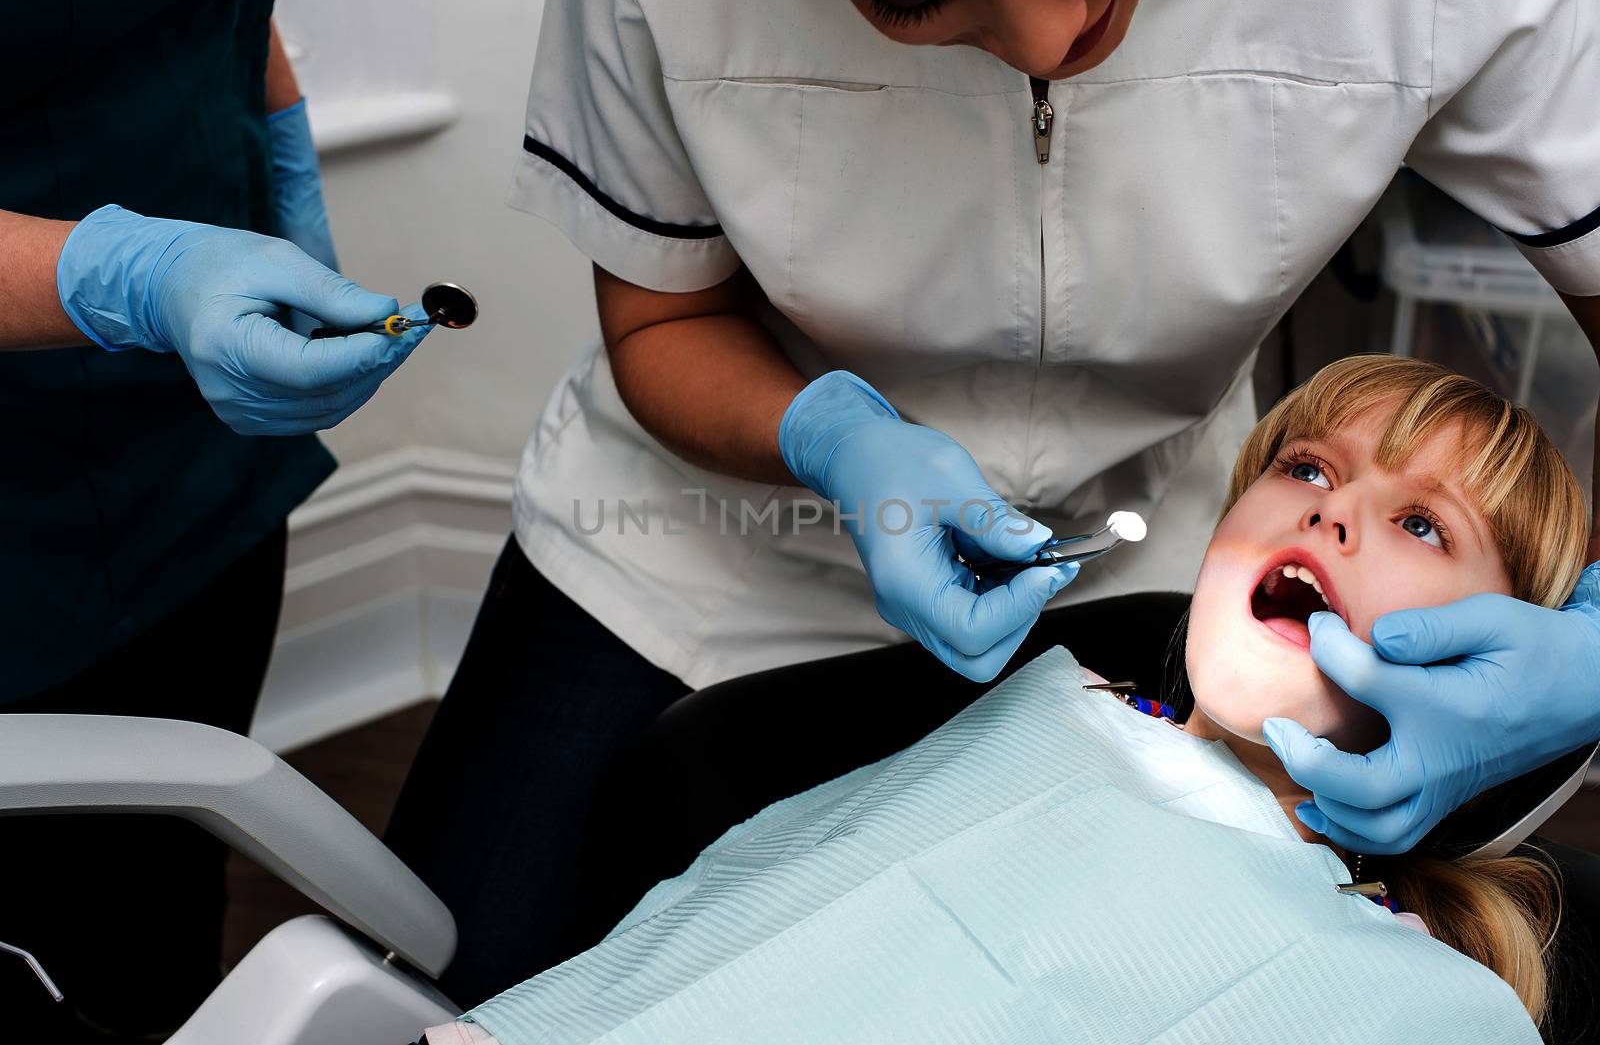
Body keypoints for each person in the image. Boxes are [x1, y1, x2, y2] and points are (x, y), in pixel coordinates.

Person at [386, 0, 1600, 1006]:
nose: (1051, 37)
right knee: (459, 961)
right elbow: (664, 317)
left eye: (1420, 523)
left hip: (1129, 563)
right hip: (696, 550)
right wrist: (835, 438)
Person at [411, 356, 1584, 1043]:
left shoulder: (1424, 1002)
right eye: (1307, 468)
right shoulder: (1051, 708)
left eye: (1422, 524)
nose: (1331, 513)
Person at [0, 0, 424, 1038]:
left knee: (173, 895)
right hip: (17, 522)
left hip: (195, 456)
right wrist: (134, 276)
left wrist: (284, 172)